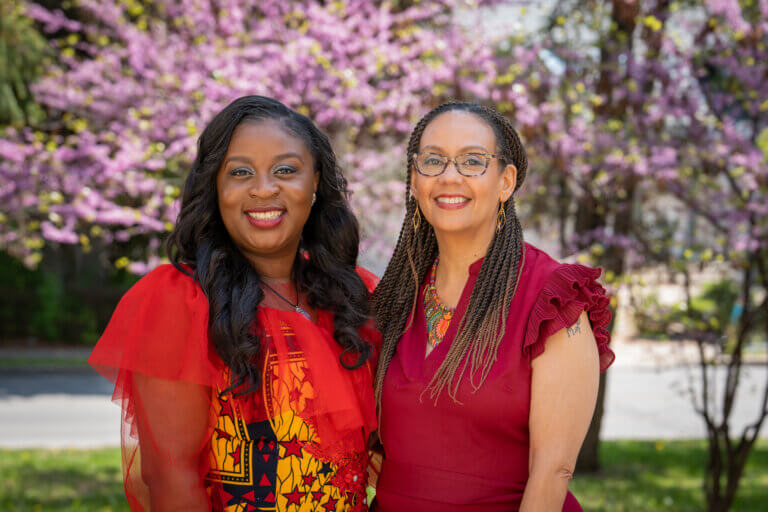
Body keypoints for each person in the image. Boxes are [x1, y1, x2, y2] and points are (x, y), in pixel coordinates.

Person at [90, 96, 380, 512]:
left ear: (315, 181)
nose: (263, 188)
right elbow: (172, 480)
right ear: (216, 186)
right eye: (240, 172)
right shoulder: (179, 302)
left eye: (285, 170)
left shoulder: (353, 298)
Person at [372, 102, 615, 511]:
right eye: (433, 161)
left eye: (472, 161)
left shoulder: (553, 299)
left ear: (506, 181)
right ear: (414, 181)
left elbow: (552, 470)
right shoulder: (395, 297)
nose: (450, 176)